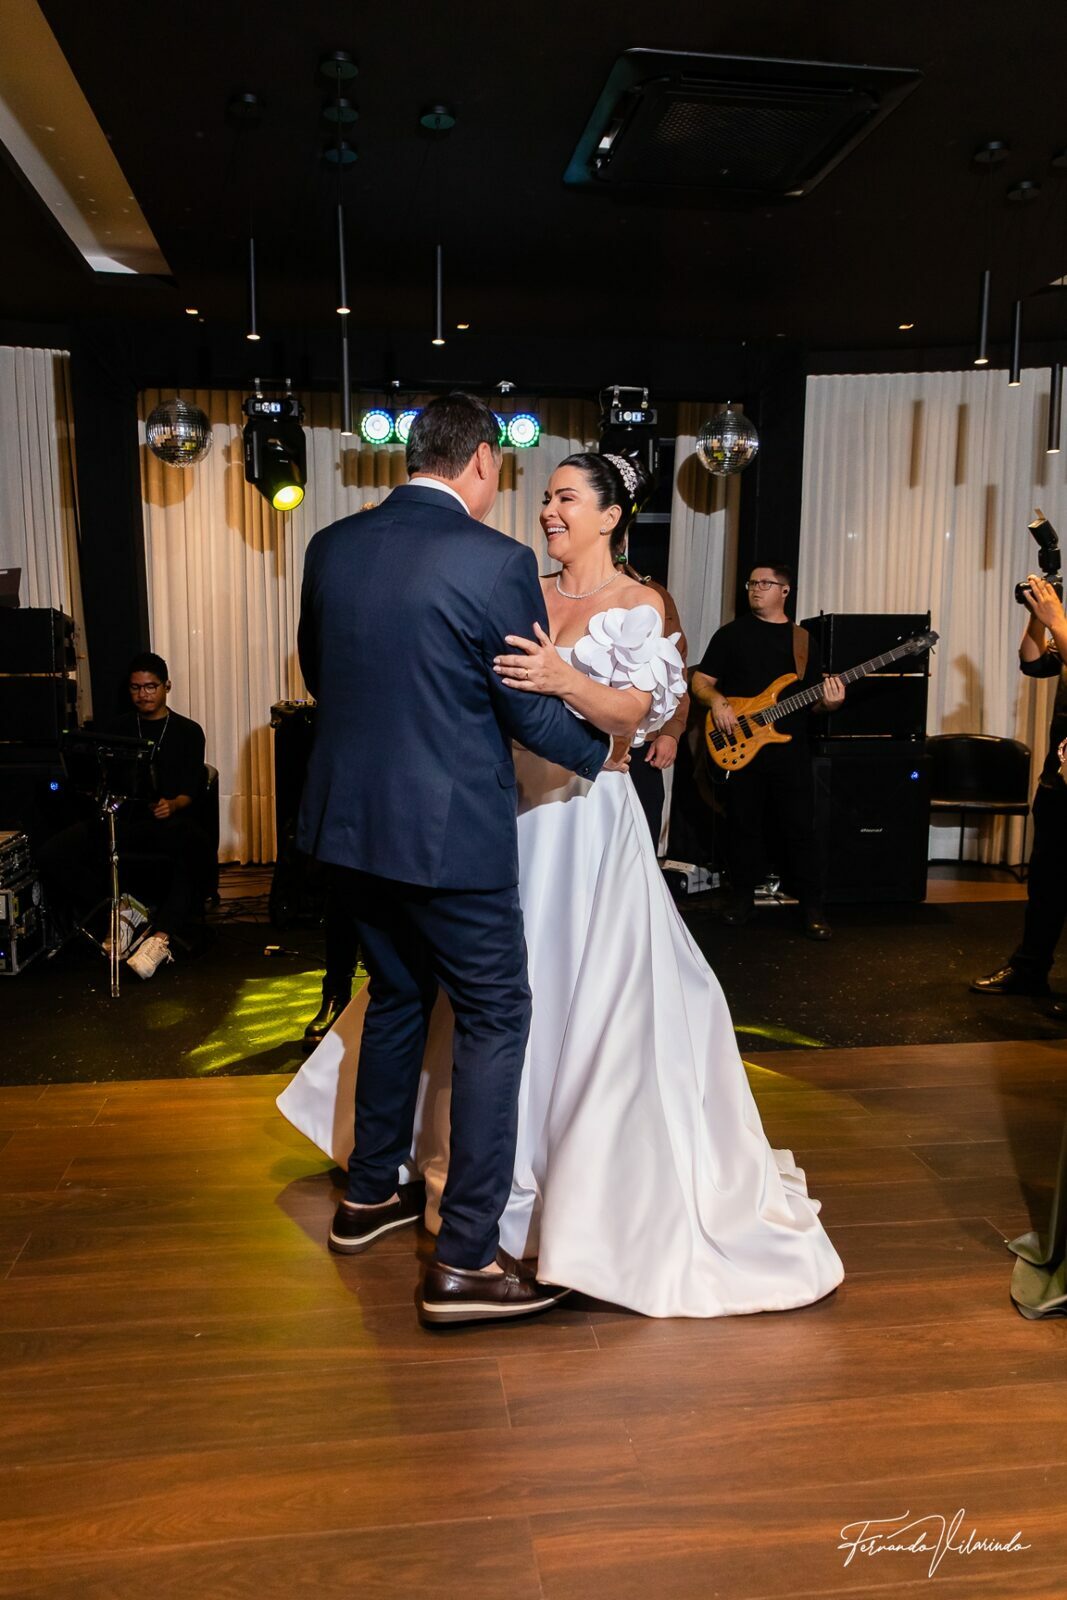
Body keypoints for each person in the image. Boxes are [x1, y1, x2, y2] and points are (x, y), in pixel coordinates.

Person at [280, 451, 844, 1321]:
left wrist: (566, 679)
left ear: (610, 516)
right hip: (495, 809)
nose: (548, 510)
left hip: (582, 816)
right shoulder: (517, 584)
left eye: (566, 498)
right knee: (474, 998)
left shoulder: (639, 603)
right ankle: (447, 1178)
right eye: (545, 497)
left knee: (561, 989)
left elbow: (639, 716)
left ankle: (553, 1176)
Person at [292, 393, 611, 1326]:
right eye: (501, 467)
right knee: (495, 1014)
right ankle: (466, 1257)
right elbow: (521, 703)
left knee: (396, 994)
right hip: (446, 834)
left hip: (347, 829)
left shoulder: (332, 546)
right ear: (479, 460)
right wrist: (603, 749)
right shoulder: (494, 560)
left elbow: (321, 673)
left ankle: (369, 1196)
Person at [690, 564, 845, 940]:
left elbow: (812, 702)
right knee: (742, 825)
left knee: (800, 828)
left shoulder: (803, 641)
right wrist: (718, 702)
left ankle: (812, 908)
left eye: (765, 583)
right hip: (741, 745)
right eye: (752, 583)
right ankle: (742, 900)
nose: (756, 589)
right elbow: (700, 681)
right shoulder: (731, 635)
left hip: (790, 751)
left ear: (784, 591)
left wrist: (830, 704)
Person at [38, 652, 207, 979]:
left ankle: (160, 938)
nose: (143, 694)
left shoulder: (188, 731)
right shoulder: (118, 728)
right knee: (52, 854)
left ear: (167, 686)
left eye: (150, 686)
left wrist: (173, 804)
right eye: (136, 688)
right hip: (122, 819)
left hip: (168, 821)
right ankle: (122, 910)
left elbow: (193, 787)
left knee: (195, 846)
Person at [972, 573, 1067, 1002]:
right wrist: (1037, 618)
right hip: (1058, 779)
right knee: (1046, 885)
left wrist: (1057, 620)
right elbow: (1032, 662)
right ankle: (1029, 969)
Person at [620, 560, 690, 850]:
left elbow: (676, 671)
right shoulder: (554, 586)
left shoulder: (652, 593)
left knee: (642, 842)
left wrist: (671, 732)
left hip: (642, 742)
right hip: (581, 741)